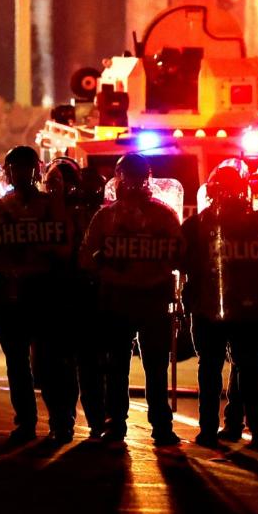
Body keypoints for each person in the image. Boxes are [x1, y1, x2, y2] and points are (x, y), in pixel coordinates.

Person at [80, 153, 183, 446]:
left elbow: (179, 254)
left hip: (151, 297)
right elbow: (86, 257)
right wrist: (103, 259)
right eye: (130, 175)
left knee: (155, 367)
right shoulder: (107, 216)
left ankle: (160, 425)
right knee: (117, 368)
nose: (134, 182)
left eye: (138, 176)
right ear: (120, 177)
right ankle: (117, 423)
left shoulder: (163, 214)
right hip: (117, 298)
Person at [0, 146, 75, 443]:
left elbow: (65, 248)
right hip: (11, 293)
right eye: (15, 168)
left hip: (44, 292)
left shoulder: (52, 206)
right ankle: (27, 421)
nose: (20, 174)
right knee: (18, 364)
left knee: (47, 363)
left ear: (36, 170)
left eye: (25, 167)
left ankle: (60, 421)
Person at [181, 164, 258, 446]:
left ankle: (247, 428)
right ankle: (238, 428)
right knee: (231, 368)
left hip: (240, 308)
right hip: (212, 307)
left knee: (240, 367)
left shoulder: (253, 224)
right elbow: (182, 260)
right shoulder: (198, 225)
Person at [44, 157, 107, 437]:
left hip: (78, 293)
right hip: (65, 294)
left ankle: (75, 422)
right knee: (75, 364)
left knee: (81, 364)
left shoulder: (90, 214)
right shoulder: (49, 213)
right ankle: (71, 421)